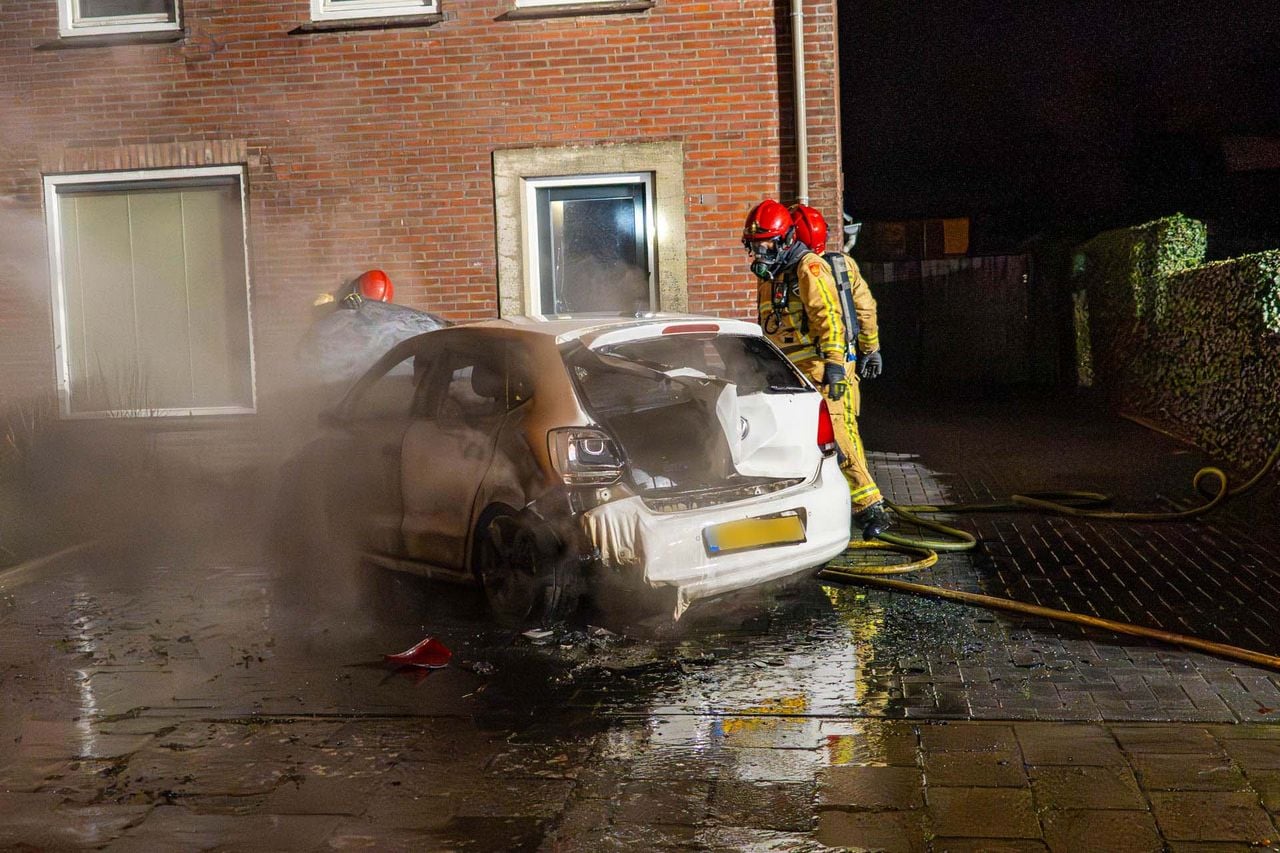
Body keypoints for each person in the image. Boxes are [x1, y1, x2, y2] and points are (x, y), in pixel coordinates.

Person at [742, 199, 891, 539]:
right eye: (755, 245)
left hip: (821, 371)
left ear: (784, 240)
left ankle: (871, 509)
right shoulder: (770, 277)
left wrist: (838, 367)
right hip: (790, 376)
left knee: (840, 437)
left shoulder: (809, 268)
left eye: (766, 244)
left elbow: (831, 322)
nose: (760, 252)